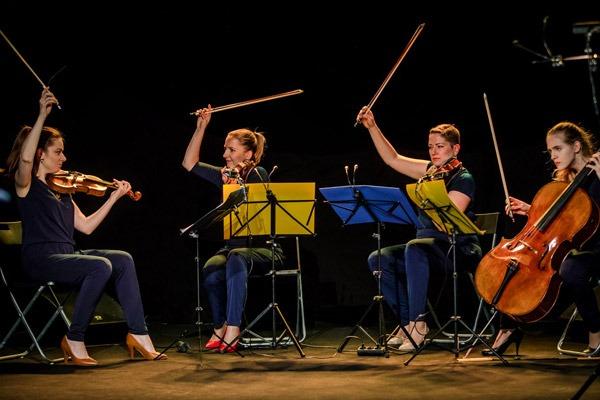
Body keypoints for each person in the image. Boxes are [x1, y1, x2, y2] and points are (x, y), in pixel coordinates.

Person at [5, 88, 166, 366]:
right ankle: (75, 337)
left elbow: (87, 227)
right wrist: (42, 115)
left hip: (67, 255)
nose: (64, 158)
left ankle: (139, 334)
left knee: (123, 260)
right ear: (41, 154)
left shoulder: (64, 190)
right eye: (58, 152)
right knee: (99, 266)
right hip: (40, 259)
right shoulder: (26, 185)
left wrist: (113, 198)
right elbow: (26, 160)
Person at [356, 106, 481, 351]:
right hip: (425, 250)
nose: (434, 151)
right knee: (379, 258)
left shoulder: (462, 178)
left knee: (414, 248)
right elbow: (392, 159)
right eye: (431, 146)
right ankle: (405, 324)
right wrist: (372, 127)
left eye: (440, 146)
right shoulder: (430, 172)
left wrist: (426, 194)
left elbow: (447, 222)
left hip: (457, 248)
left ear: (455, 149)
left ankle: (419, 323)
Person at [483, 121, 600, 356]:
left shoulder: (596, 172)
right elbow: (566, 221)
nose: (553, 156)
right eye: (550, 151)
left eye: (558, 149)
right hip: (572, 248)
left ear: (576, 146)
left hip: (596, 248)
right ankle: (508, 327)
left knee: (570, 269)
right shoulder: (566, 179)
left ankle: (595, 331)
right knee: (516, 268)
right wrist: (532, 210)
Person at [182, 105, 283, 353]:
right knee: (211, 267)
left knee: (236, 257)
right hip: (234, 249)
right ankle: (220, 325)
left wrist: (236, 183)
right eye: (226, 148)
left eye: (232, 150)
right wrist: (201, 127)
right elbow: (189, 163)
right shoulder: (225, 175)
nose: (225, 154)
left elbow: (258, 215)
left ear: (248, 154)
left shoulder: (258, 173)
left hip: (263, 250)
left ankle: (234, 327)